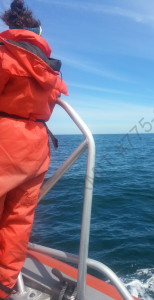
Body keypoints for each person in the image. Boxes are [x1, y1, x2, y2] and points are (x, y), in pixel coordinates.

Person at [0, 0, 68, 298]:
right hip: (36, 148)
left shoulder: (4, 54)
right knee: (19, 218)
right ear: (38, 33)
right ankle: (4, 284)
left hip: (5, 142)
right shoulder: (51, 71)